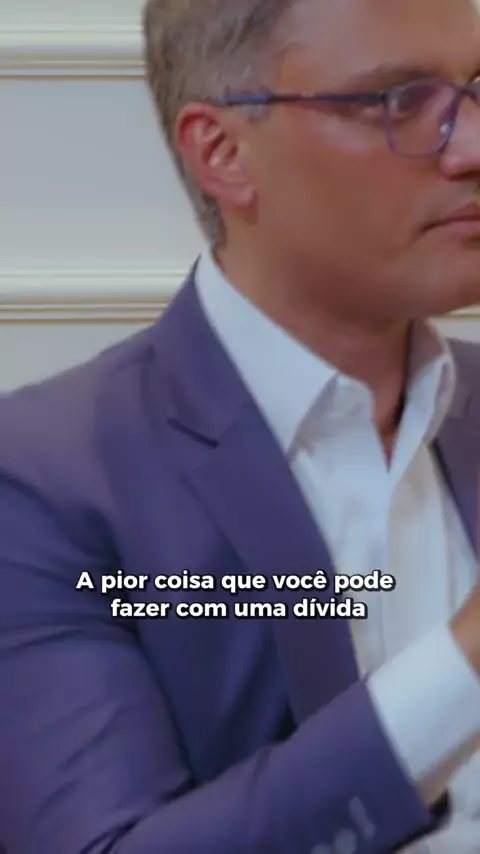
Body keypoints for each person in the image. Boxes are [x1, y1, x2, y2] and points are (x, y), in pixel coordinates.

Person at [2, 0, 480, 851]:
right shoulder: (44, 478)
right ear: (223, 152)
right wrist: (467, 663)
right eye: (402, 101)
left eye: (478, 89)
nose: (472, 146)